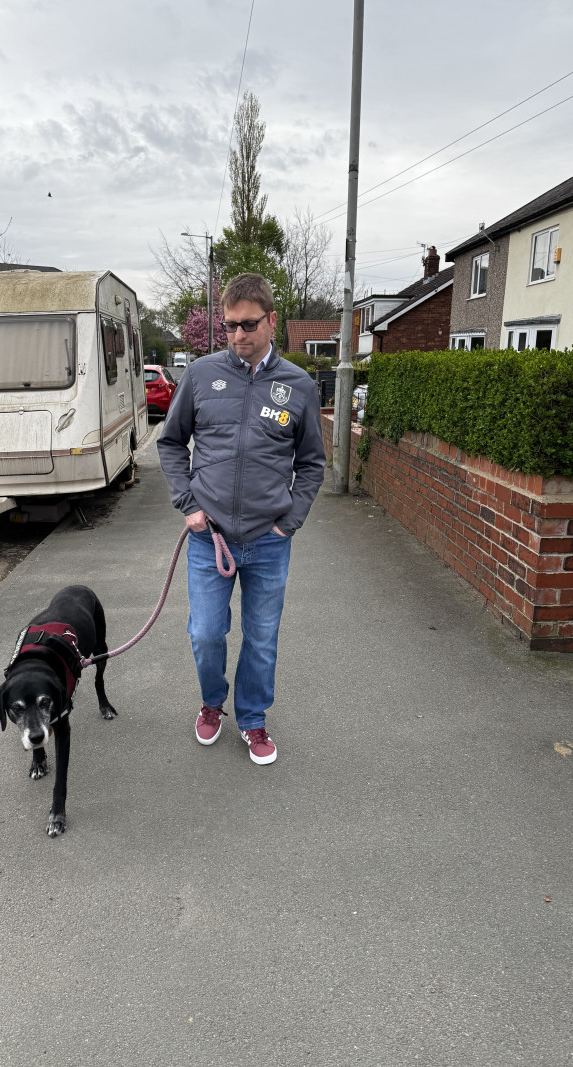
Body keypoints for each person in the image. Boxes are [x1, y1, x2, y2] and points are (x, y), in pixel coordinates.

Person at [157, 272, 325, 765]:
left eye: (248, 324)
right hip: (210, 538)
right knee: (206, 633)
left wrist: (289, 521)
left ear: (271, 320)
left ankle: (252, 718)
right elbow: (171, 443)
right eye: (229, 326)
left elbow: (312, 463)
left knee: (262, 638)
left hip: (268, 540)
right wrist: (188, 504)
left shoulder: (298, 386)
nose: (237, 335)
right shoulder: (201, 375)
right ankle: (213, 702)